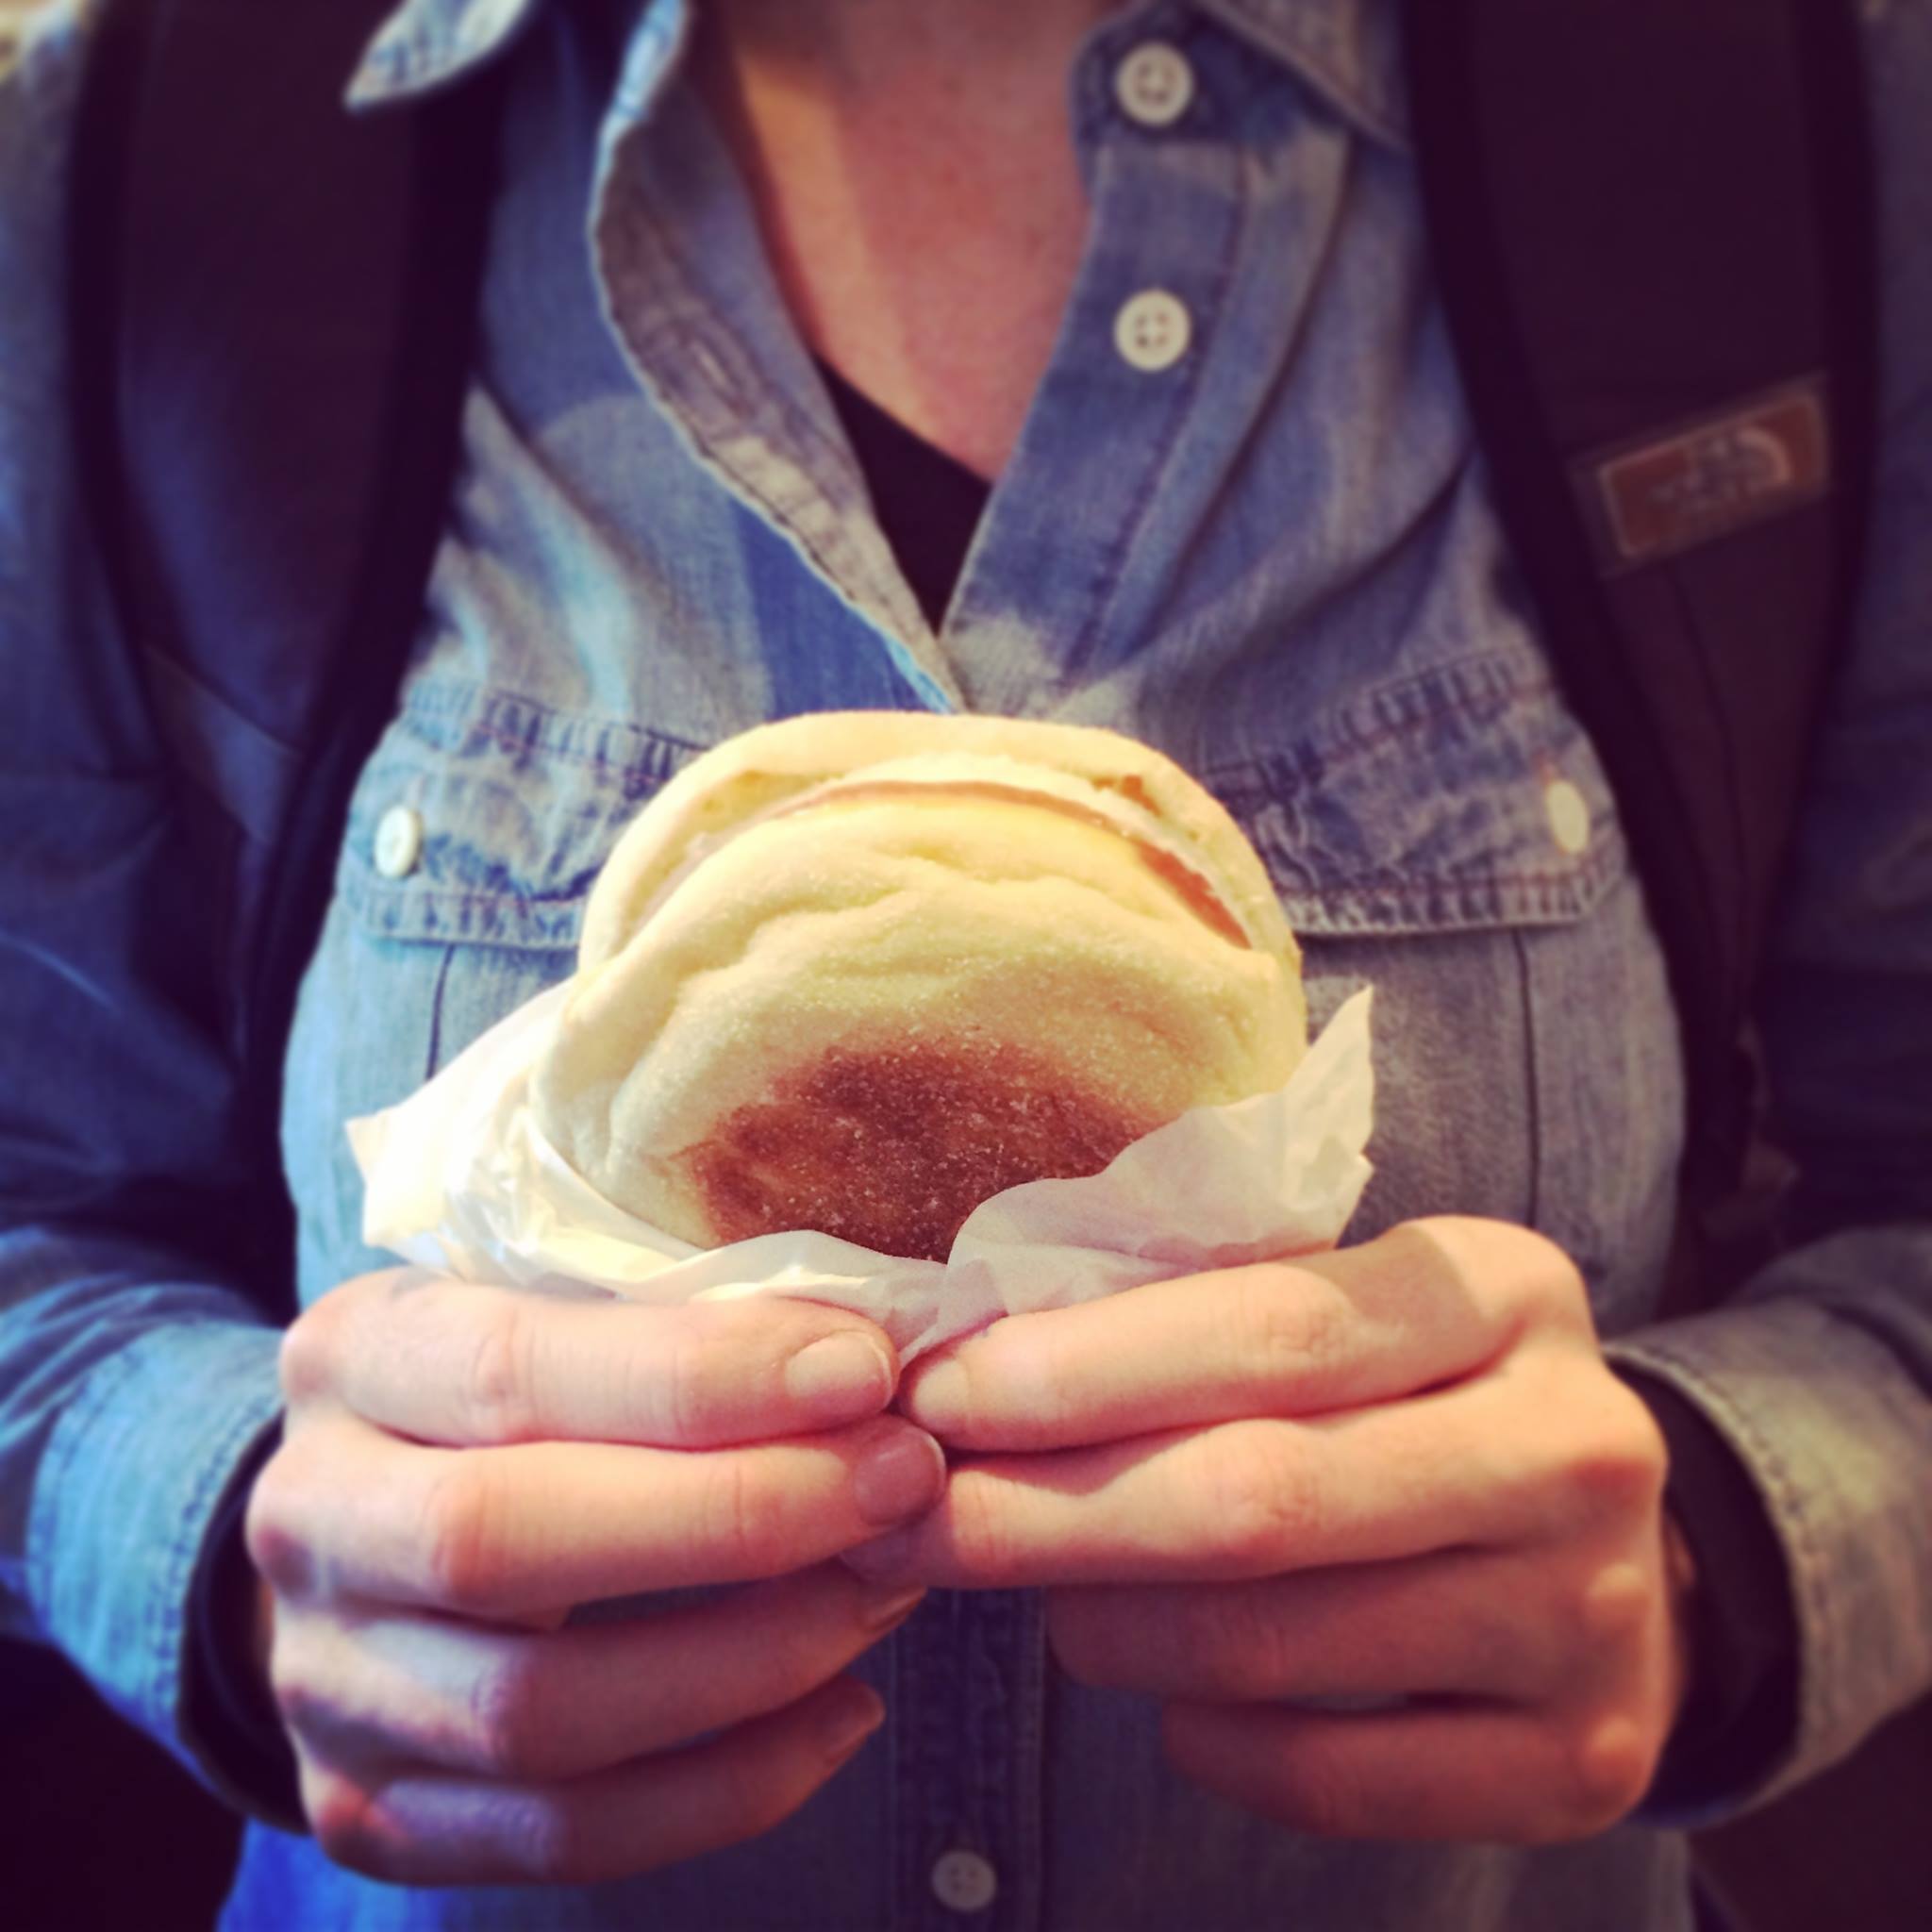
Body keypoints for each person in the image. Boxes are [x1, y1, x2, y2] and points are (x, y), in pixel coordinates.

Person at [2, 0, 1927, 1927]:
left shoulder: (1806, 109)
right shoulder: (143, 157)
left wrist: (1723, 1547)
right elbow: (34, 1217)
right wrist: (226, 1548)